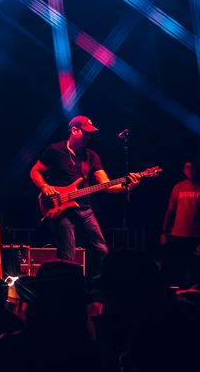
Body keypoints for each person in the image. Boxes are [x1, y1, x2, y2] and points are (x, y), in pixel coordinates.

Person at [29, 115, 138, 277]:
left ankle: (98, 287)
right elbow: (35, 171)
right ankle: (66, 291)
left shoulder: (91, 156)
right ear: (74, 130)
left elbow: (106, 184)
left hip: (84, 209)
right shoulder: (55, 150)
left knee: (102, 249)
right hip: (60, 208)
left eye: (90, 133)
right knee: (67, 255)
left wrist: (125, 186)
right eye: (85, 132)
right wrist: (45, 186)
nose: (89, 136)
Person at [161, 160, 200, 287]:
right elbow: (170, 209)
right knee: (177, 268)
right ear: (184, 170)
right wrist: (164, 231)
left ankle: (195, 296)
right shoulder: (178, 187)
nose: (190, 170)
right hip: (178, 233)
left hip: (196, 235)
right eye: (187, 167)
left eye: (193, 167)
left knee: (196, 269)